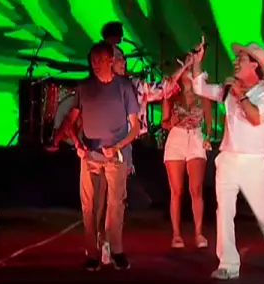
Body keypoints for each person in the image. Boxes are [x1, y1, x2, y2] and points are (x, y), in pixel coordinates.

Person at [190, 40, 264, 279]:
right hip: (228, 159)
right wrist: (197, 62)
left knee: (263, 214)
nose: (235, 62)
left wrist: (240, 95)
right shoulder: (229, 89)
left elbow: (256, 118)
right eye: (237, 58)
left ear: (255, 65)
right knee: (224, 212)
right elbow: (200, 88)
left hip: (253, 162)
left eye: (241, 58)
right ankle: (228, 264)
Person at [56, 42, 142, 271]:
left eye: (100, 60)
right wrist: (77, 144)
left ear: (110, 61)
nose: (95, 65)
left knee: (115, 204)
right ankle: (92, 253)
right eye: (93, 60)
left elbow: (135, 127)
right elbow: (70, 120)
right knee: (89, 206)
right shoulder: (85, 87)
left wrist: (117, 147)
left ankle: (117, 250)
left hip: (115, 155)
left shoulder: (124, 87)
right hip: (90, 156)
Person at [161, 67, 213, 249]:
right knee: (176, 190)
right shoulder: (172, 96)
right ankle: (176, 234)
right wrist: (170, 122)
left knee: (196, 189)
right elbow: (164, 122)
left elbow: (209, 124)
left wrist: (208, 137)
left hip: (196, 138)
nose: (189, 74)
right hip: (176, 138)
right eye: (186, 70)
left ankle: (198, 233)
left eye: (192, 71)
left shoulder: (203, 96)